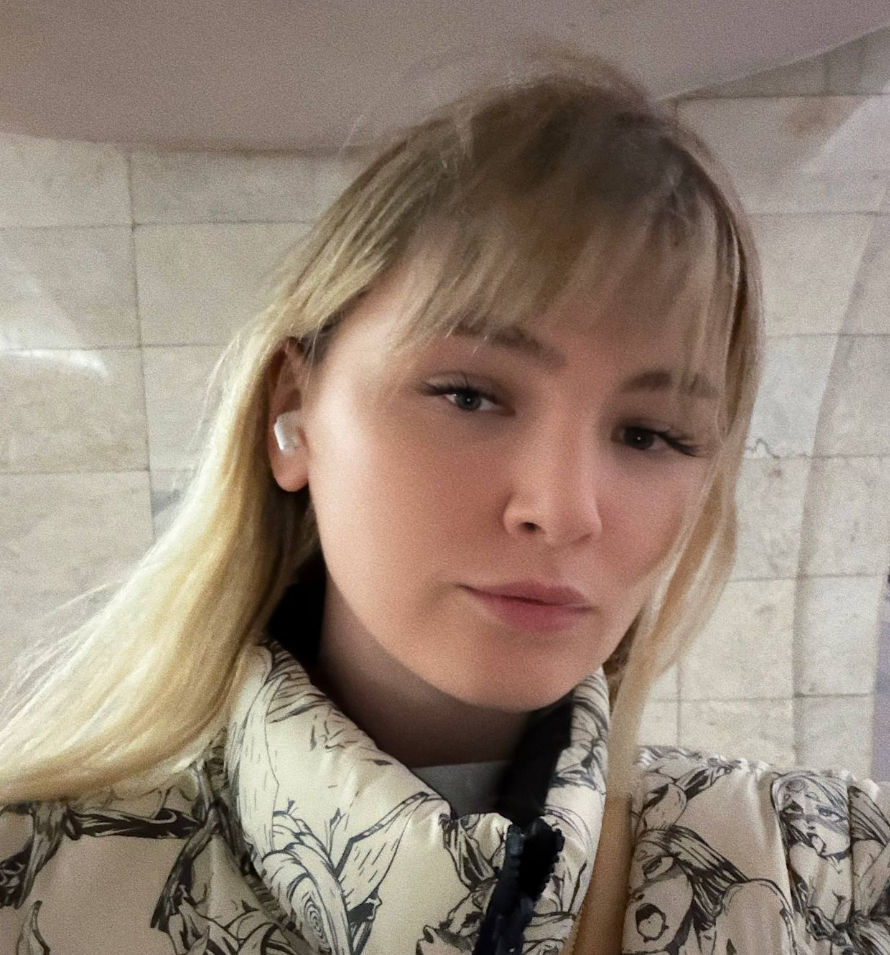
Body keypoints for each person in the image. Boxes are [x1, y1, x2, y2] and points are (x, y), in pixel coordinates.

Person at [0, 45, 887, 955]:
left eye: (650, 434)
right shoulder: (34, 882)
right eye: (468, 395)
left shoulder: (824, 875)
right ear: (292, 413)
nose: (562, 508)